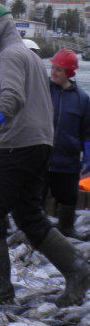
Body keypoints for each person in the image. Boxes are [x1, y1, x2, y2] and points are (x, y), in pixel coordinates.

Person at [0, 3, 90, 306]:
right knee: (28, 214)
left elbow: (12, 95)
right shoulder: (32, 57)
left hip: (16, 145)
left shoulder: (9, 55)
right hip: (41, 145)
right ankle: (78, 270)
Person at [46, 48, 90, 238]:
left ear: (70, 73)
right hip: (41, 159)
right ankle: (33, 229)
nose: (54, 72)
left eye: (59, 69)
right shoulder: (42, 90)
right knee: (34, 197)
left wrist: (87, 154)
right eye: (53, 67)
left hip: (68, 162)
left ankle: (66, 227)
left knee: (69, 197)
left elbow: (87, 132)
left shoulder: (83, 99)